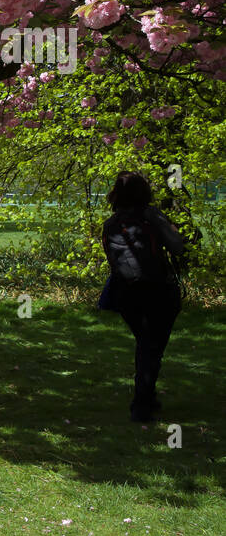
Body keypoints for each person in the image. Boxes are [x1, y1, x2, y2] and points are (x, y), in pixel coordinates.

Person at [100, 171, 187, 422]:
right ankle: (141, 404)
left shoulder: (111, 223)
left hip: (125, 293)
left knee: (147, 344)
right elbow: (178, 248)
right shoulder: (152, 217)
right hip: (158, 291)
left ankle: (147, 398)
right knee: (151, 347)